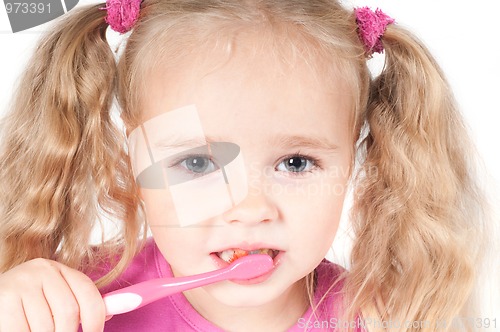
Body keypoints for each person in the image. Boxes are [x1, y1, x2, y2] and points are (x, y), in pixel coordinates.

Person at [0, 0, 490, 331]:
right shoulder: (75, 302)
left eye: (296, 163)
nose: (249, 209)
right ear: (133, 158)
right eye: (196, 162)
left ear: (359, 161)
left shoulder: (377, 321)